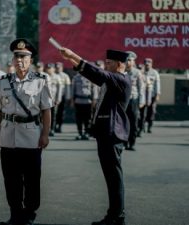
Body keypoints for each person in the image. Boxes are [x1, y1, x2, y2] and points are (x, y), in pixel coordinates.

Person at [59, 47, 131, 225]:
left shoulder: (120, 79)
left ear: (120, 65)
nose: (105, 65)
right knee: (111, 178)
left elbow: (98, 73)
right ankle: (114, 214)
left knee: (114, 178)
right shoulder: (111, 80)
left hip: (112, 134)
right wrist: (72, 61)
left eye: (109, 63)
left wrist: (73, 54)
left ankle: (117, 215)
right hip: (105, 134)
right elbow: (94, 75)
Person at [0, 38, 52, 225]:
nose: (19, 60)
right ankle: (15, 213)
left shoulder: (41, 81)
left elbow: (46, 110)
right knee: (11, 179)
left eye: (24, 57)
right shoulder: (3, 82)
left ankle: (30, 213)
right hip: (8, 136)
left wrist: (45, 134)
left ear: (30, 60)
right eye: (16, 57)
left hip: (31, 136)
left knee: (32, 178)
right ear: (12, 60)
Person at [124, 51, 145, 151]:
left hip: (133, 100)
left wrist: (141, 101)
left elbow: (141, 88)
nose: (127, 62)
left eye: (130, 60)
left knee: (133, 123)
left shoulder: (137, 73)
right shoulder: (120, 71)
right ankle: (123, 143)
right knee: (123, 123)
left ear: (133, 62)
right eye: (126, 60)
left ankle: (131, 143)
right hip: (122, 101)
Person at [71, 71, 98, 140]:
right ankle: (80, 133)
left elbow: (94, 89)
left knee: (88, 119)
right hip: (78, 101)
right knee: (79, 119)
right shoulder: (76, 78)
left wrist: (94, 99)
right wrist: (72, 100)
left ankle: (86, 133)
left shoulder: (91, 77)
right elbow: (73, 90)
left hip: (88, 101)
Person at [143, 58, 160, 134]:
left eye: (149, 62)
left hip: (152, 95)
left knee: (152, 111)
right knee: (142, 112)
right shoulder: (141, 72)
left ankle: (150, 126)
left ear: (151, 64)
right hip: (143, 95)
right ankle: (141, 127)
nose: (147, 63)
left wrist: (157, 94)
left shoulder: (154, 73)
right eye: (146, 62)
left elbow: (157, 84)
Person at [45, 63, 62, 137]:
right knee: (44, 116)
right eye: (48, 68)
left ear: (53, 69)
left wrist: (58, 99)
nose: (49, 70)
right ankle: (45, 129)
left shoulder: (57, 77)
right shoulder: (43, 76)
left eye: (50, 68)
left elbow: (59, 89)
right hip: (45, 100)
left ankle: (52, 129)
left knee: (53, 115)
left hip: (53, 99)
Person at [54, 62, 71, 133]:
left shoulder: (65, 76)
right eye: (57, 67)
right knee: (54, 113)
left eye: (59, 67)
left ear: (62, 68)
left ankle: (59, 126)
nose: (58, 69)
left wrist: (68, 98)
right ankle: (53, 126)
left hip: (62, 97)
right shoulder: (52, 75)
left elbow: (67, 87)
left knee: (61, 113)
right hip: (54, 97)